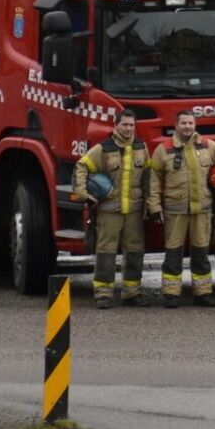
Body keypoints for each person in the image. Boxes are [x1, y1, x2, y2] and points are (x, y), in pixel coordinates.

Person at [148, 110, 215, 308]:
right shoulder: (164, 150)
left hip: (202, 212)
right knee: (173, 254)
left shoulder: (208, 146)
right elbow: (153, 181)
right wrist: (154, 206)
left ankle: (203, 293)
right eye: (184, 123)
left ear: (195, 125)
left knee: (201, 253)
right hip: (175, 212)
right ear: (176, 125)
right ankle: (171, 294)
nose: (188, 126)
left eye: (191, 123)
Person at [73, 109, 150, 309]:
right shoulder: (103, 149)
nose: (128, 128)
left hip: (133, 211)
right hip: (109, 212)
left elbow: (148, 178)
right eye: (124, 124)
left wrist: (150, 204)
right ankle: (103, 294)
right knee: (106, 252)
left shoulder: (142, 148)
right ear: (115, 125)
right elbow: (81, 166)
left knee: (135, 252)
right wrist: (82, 194)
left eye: (131, 125)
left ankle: (131, 293)